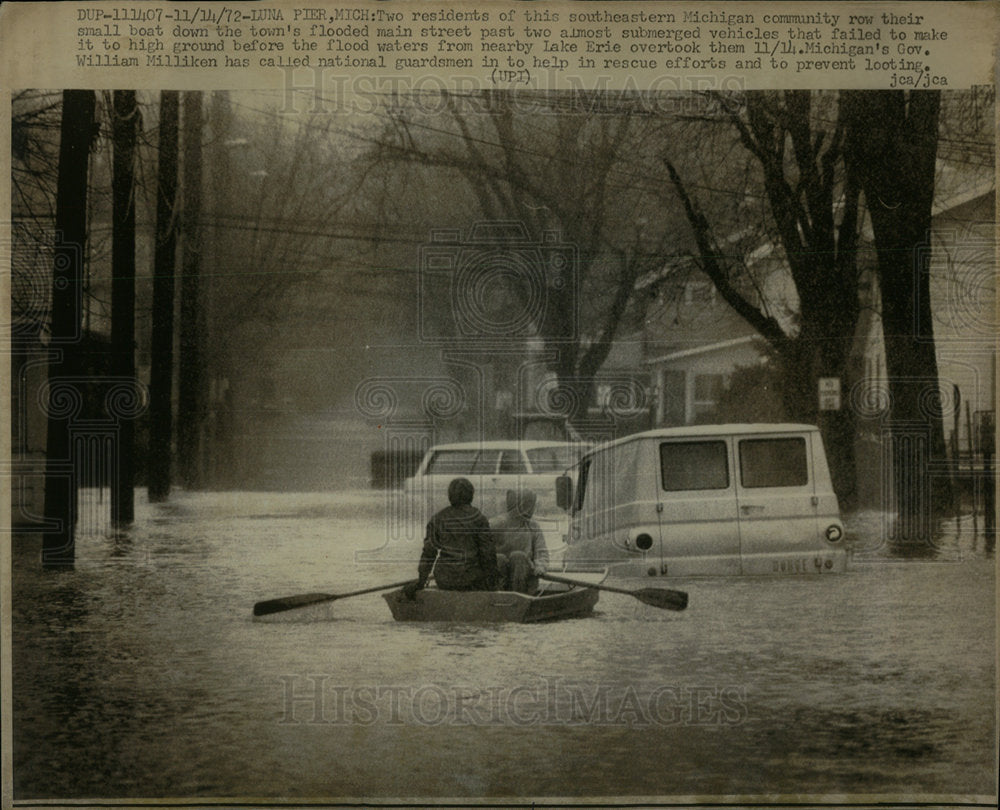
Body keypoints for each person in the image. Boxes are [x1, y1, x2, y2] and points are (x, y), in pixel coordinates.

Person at [403, 477, 497, 599]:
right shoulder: (479, 518)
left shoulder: (437, 518)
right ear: (471, 496)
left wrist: (421, 581)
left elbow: (428, 553)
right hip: (471, 580)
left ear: (450, 496)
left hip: (444, 579)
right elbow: (488, 554)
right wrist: (493, 584)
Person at [493, 488, 549, 594]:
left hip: (524, 579)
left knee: (518, 557)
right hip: (499, 578)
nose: (532, 509)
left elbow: (541, 552)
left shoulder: (533, 527)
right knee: (499, 559)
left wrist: (540, 566)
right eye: (530, 505)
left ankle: (516, 597)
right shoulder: (496, 524)